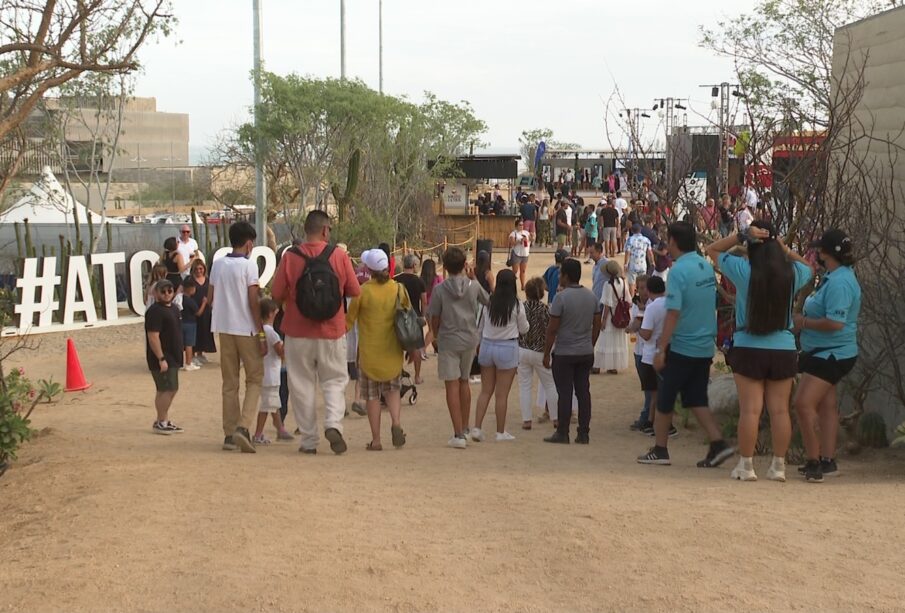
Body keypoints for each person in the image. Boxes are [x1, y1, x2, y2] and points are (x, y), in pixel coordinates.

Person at [707, 221, 814, 482]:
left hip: (748, 345)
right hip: (783, 346)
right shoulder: (791, 274)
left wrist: (741, 235)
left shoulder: (744, 270)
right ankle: (778, 466)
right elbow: (810, 268)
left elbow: (712, 249)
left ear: (751, 247)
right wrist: (785, 249)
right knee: (779, 410)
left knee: (750, 410)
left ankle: (746, 465)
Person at [637, 221, 735, 467]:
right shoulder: (704, 266)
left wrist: (661, 349)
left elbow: (673, 313)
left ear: (673, 241)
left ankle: (660, 449)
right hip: (704, 344)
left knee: (665, 397)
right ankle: (718, 444)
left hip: (683, 345)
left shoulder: (678, 271)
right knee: (695, 398)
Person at [272, 210, 361, 455]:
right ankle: (333, 423)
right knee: (334, 380)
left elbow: (276, 293)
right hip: (332, 331)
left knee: (301, 384)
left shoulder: (290, 257)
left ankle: (309, 441)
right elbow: (355, 291)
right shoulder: (339, 255)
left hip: (297, 331)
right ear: (324, 230)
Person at [793, 230, 861, 483]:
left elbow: (835, 323)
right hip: (824, 351)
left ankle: (814, 460)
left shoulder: (841, 282)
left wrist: (804, 322)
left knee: (803, 403)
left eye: (820, 250)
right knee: (826, 405)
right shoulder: (833, 276)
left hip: (832, 353)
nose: (817, 253)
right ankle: (827, 460)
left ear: (828, 253)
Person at [209, 221, 267, 454]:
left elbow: (211, 297)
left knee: (229, 382)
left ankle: (229, 433)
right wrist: (261, 331)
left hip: (223, 327)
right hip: (246, 328)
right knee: (254, 378)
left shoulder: (218, 264)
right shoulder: (249, 266)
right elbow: (253, 301)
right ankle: (243, 426)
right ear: (249, 243)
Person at [347, 249, 411, 451]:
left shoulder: (363, 291)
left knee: (372, 397)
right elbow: (408, 315)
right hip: (392, 351)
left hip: (369, 355)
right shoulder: (398, 289)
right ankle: (396, 423)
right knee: (392, 390)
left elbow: (348, 321)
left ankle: (376, 440)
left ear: (369, 269)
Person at [428, 246, 490, 449]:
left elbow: (434, 316)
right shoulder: (473, 286)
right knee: (464, 381)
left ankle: (457, 433)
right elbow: (488, 301)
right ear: (465, 265)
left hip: (448, 339)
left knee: (451, 385)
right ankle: (464, 427)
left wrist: (435, 336)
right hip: (469, 338)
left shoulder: (439, 290)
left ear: (444, 267)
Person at [543, 259, 602, 445]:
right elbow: (597, 325)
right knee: (583, 392)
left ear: (566, 276)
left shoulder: (561, 298)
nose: (559, 277)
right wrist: (590, 343)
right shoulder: (591, 296)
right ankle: (583, 432)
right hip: (585, 351)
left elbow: (552, 329)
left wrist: (546, 353)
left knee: (565, 392)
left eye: (561, 274)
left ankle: (563, 432)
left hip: (565, 351)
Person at [471, 269, 529, 442]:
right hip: (507, 347)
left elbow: (479, 328)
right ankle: (500, 431)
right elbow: (524, 328)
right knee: (501, 394)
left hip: (487, 346)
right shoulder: (517, 305)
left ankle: (477, 428)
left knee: (485, 391)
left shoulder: (488, 303)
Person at [517, 277, 559, 431]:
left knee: (525, 386)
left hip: (523, 349)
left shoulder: (521, 307)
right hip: (541, 351)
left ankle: (526, 420)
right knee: (550, 384)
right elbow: (552, 331)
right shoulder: (546, 309)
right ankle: (555, 418)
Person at [145, 279, 184, 434]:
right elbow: (153, 336)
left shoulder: (174, 308)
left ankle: (162, 420)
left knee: (164, 389)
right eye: (163, 291)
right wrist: (161, 358)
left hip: (173, 355)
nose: (167, 294)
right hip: (163, 356)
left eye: (169, 290)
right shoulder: (155, 311)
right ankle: (162, 421)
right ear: (156, 293)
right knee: (169, 388)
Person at [253, 298, 294, 445]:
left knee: (273, 403)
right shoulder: (271, 332)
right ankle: (258, 434)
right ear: (271, 314)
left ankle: (281, 429)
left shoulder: (260, 330)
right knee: (267, 404)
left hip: (265, 371)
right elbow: (280, 351)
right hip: (271, 373)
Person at [394, 254, 428, 384]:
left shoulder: (395, 279)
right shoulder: (419, 281)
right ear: (414, 265)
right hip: (415, 316)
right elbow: (424, 301)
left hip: (399, 316)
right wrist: (423, 316)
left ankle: (398, 375)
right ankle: (417, 376)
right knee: (417, 346)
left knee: (397, 347)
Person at [595, 260, 631, 374]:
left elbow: (607, 304)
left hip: (611, 315)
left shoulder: (608, 285)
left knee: (604, 340)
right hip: (620, 316)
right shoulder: (623, 282)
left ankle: (598, 366)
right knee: (617, 341)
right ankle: (613, 366)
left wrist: (604, 320)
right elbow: (628, 300)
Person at [627, 275, 651, 430]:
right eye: (639, 288)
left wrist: (636, 324)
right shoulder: (636, 305)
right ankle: (647, 416)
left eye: (645, 288)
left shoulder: (652, 305)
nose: (642, 291)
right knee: (646, 386)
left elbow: (636, 325)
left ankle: (646, 417)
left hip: (649, 351)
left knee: (650, 388)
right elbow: (631, 326)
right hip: (639, 350)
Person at [188, 259, 215, 365]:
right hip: (193, 308)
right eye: (197, 269)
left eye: (201, 268)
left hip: (207, 309)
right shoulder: (190, 280)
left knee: (205, 330)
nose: (199, 271)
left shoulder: (208, 280)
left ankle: (201, 353)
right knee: (195, 331)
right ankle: (193, 354)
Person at [624, 224, 653, 296]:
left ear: (632, 230)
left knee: (632, 283)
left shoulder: (630, 239)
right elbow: (649, 252)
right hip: (643, 264)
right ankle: (642, 297)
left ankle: (632, 299)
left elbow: (628, 252)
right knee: (643, 283)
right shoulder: (646, 240)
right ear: (640, 230)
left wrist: (626, 264)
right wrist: (652, 262)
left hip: (633, 264)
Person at [179, 278, 201, 372]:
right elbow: (198, 313)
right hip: (190, 323)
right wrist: (204, 303)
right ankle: (188, 363)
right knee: (189, 344)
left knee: (180, 344)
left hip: (181, 322)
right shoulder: (190, 301)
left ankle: (179, 363)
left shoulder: (180, 298)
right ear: (191, 289)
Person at [508, 218, 532, 291]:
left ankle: (522, 285)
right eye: (520, 225)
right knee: (515, 271)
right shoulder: (513, 233)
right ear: (516, 226)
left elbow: (531, 239)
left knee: (523, 271)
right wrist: (520, 241)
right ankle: (512, 285)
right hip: (517, 253)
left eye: (522, 225)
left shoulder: (526, 233)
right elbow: (512, 243)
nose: (521, 226)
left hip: (525, 253)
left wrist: (532, 237)